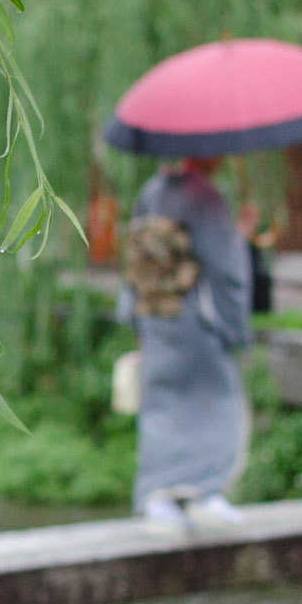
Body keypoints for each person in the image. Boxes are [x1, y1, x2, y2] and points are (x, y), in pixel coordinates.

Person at [121, 156, 253, 527]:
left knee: (162, 409)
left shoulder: (151, 191)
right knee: (218, 404)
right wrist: (236, 330)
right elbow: (226, 271)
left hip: (154, 318)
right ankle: (205, 491)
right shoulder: (206, 197)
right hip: (197, 321)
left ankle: (156, 496)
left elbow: (134, 262)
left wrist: (134, 319)